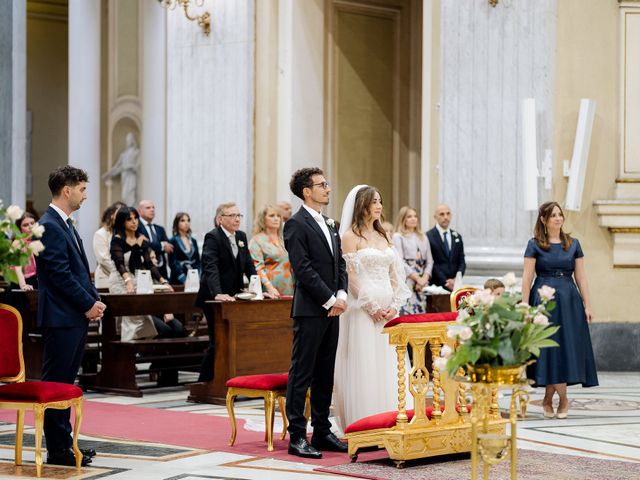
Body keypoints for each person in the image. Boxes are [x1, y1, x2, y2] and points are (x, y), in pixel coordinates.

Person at [36, 165, 105, 467]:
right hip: (62, 317)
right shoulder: (50, 224)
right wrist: (87, 304)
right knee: (57, 384)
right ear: (67, 190)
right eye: (82, 189)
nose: (85, 195)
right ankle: (58, 448)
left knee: (66, 383)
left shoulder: (64, 223)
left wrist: (95, 299)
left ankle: (64, 445)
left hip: (72, 315)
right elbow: (60, 275)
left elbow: (79, 271)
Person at [334, 185, 411, 431]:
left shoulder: (384, 236)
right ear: (362, 205)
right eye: (374, 202)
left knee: (389, 363)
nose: (379, 206)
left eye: (380, 201)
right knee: (365, 361)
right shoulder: (349, 236)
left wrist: (395, 304)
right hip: (361, 310)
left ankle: (392, 415)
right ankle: (364, 421)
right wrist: (372, 306)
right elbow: (351, 277)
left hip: (388, 311)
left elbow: (395, 275)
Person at [283, 168, 348, 459]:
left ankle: (321, 430)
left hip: (333, 310)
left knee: (325, 373)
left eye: (327, 183)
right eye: (322, 185)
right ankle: (297, 435)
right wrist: (329, 298)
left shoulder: (330, 224)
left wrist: (342, 294)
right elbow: (303, 269)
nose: (328, 189)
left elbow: (340, 264)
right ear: (307, 191)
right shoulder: (296, 224)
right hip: (311, 310)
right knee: (302, 373)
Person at [522, 201, 598, 419]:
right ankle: (561, 398)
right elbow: (527, 278)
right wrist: (526, 307)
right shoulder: (534, 244)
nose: (558, 218)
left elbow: (581, 277)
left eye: (560, 215)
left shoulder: (573, 244)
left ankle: (552, 398)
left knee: (565, 349)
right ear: (544, 220)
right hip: (543, 301)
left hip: (569, 301)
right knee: (549, 349)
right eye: (553, 215)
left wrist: (587, 304)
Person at [195, 202, 257, 382]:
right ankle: (205, 381)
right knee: (217, 341)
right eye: (232, 215)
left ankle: (229, 377)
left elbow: (249, 266)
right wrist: (217, 293)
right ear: (220, 219)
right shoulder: (213, 237)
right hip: (213, 297)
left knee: (232, 340)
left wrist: (259, 288)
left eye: (239, 215)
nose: (237, 219)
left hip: (234, 296)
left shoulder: (241, 236)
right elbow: (210, 266)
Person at [109, 207, 178, 341]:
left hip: (136, 278)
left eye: (136, 218)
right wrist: (128, 281)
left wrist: (163, 281)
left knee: (142, 317)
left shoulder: (141, 239)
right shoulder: (117, 239)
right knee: (131, 316)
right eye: (129, 219)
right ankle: (126, 346)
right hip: (120, 279)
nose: (134, 222)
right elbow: (119, 263)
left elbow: (149, 264)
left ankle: (138, 349)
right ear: (122, 221)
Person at [392, 206, 434, 315]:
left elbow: (430, 261)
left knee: (422, 314)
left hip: (423, 281)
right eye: (409, 216)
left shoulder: (423, 236)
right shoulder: (398, 237)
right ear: (403, 219)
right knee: (408, 313)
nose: (413, 219)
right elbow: (399, 261)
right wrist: (417, 278)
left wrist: (424, 278)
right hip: (407, 279)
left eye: (415, 216)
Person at [249, 204, 294, 297]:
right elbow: (258, 268)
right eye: (272, 216)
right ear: (263, 219)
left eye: (278, 216)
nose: (276, 219)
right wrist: (269, 287)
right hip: (270, 287)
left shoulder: (284, 238)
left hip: (290, 285)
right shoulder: (256, 240)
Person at [426, 204, 466, 291]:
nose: (445, 217)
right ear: (435, 216)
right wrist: (445, 281)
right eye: (442, 214)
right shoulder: (428, 236)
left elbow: (461, 261)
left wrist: (456, 279)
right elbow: (431, 262)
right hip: (436, 286)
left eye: (448, 214)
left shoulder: (457, 236)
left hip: (455, 285)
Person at [137, 199, 173, 279]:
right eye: (148, 208)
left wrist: (158, 245)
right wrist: (161, 245)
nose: (152, 210)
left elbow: (169, 246)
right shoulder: (136, 227)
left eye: (153, 207)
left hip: (161, 269)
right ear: (139, 211)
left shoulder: (160, 229)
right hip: (145, 268)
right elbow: (143, 245)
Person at [93, 201, 126, 289]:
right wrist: (124, 273)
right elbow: (104, 259)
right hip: (107, 278)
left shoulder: (124, 234)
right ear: (112, 216)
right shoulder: (101, 234)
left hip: (126, 278)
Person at [103, 132, 139, 206]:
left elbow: (137, 166)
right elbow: (116, 167)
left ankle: (131, 212)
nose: (129, 141)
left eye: (130, 139)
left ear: (133, 140)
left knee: (131, 194)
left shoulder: (136, 152)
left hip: (131, 176)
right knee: (124, 196)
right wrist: (108, 174)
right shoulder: (123, 155)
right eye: (128, 139)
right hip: (124, 176)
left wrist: (130, 166)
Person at [168, 212, 201, 285]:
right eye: (182, 220)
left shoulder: (193, 241)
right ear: (177, 223)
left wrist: (198, 276)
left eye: (188, 220)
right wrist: (184, 279)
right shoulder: (172, 240)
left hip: (193, 278)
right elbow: (172, 263)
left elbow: (198, 261)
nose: (186, 223)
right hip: (177, 279)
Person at [13, 212, 39, 290]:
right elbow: (17, 268)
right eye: (25, 225)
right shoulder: (18, 243)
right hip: (20, 283)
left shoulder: (36, 241)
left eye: (32, 223)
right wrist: (23, 286)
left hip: (35, 282)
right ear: (19, 229)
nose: (30, 227)